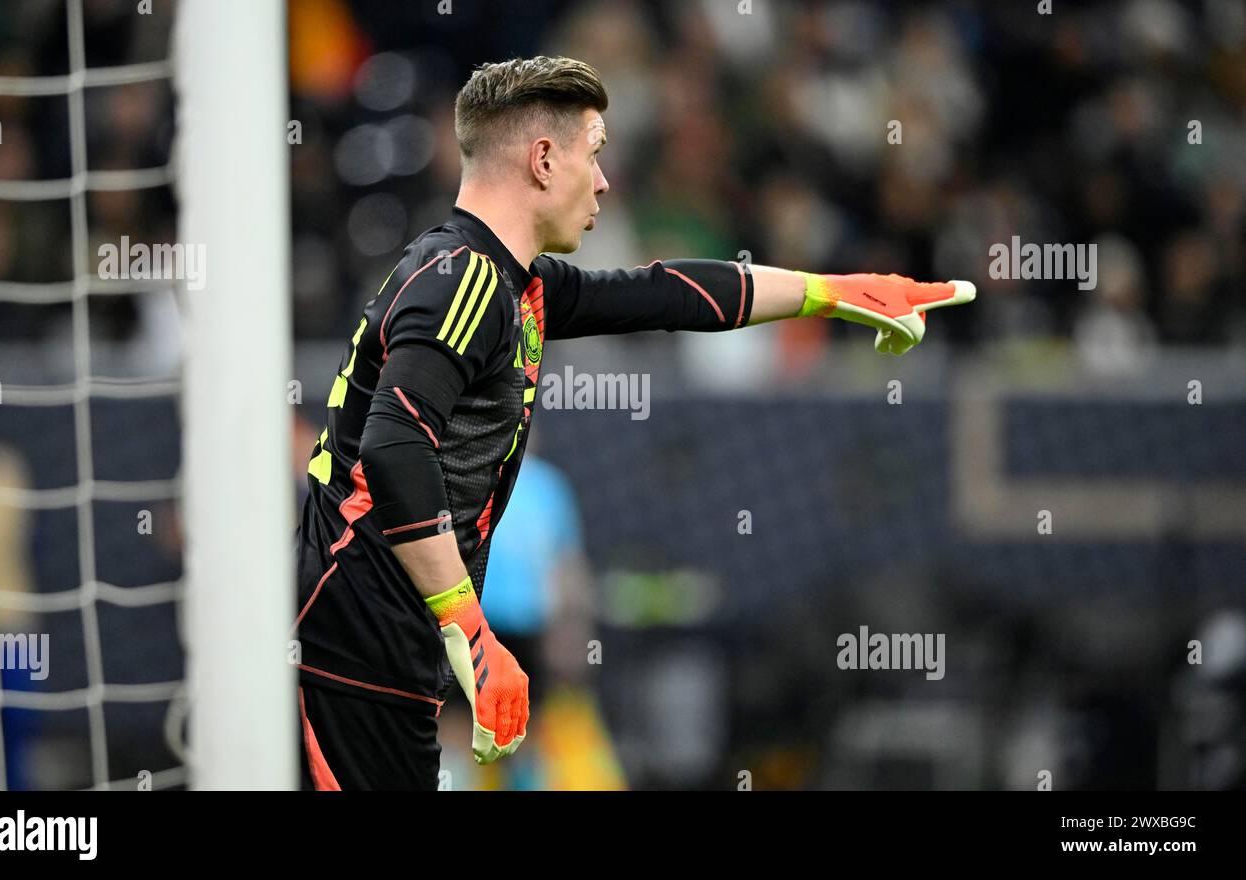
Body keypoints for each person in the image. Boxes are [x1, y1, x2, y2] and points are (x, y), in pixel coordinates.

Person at [292, 55, 975, 790]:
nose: (606, 180)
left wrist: (834, 291)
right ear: (544, 160)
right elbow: (396, 447)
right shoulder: (464, 283)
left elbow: (663, 293)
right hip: (363, 639)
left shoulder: (511, 282)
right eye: (596, 152)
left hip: (382, 641)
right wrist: (472, 629)